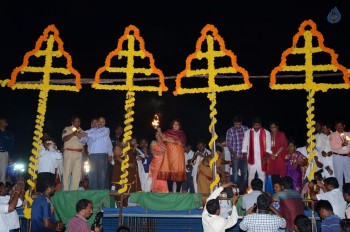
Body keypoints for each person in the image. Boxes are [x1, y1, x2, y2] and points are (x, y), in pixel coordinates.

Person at [80, 116, 113, 190]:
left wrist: (110, 154)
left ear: (105, 123)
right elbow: (83, 140)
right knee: (92, 175)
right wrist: (80, 136)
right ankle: (93, 193)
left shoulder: (106, 130)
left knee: (102, 175)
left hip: (102, 155)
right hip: (92, 156)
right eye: (99, 121)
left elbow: (108, 143)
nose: (100, 123)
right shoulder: (91, 131)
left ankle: (101, 193)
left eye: (102, 121)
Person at [242, 117, 272, 190]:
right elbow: (244, 144)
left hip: (262, 158)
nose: (256, 127)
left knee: (262, 177)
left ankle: (262, 192)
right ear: (252, 125)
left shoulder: (266, 133)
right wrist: (245, 155)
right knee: (250, 177)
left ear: (260, 124)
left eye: (258, 125)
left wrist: (265, 157)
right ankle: (250, 193)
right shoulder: (247, 132)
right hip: (251, 158)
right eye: (255, 125)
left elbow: (268, 147)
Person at [157, 119, 186, 193]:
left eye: (177, 124)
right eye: (174, 124)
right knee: (169, 172)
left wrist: (167, 139)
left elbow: (179, 142)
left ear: (179, 126)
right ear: (172, 125)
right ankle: (170, 191)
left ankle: (177, 191)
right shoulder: (168, 132)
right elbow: (162, 138)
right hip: (169, 154)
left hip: (178, 155)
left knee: (178, 172)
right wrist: (159, 131)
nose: (176, 125)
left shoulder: (181, 133)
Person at [226, 115, 249, 193]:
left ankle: (242, 191)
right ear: (233, 123)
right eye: (236, 124)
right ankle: (235, 191)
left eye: (239, 124)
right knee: (235, 176)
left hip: (245, 156)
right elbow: (228, 144)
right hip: (235, 156)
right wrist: (234, 154)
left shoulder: (246, 129)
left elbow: (249, 142)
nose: (238, 126)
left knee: (245, 175)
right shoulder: (230, 131)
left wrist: (246, 154)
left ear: (241, 123)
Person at [62, 116, 85, 191]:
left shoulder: (82, 131)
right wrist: (73, 134)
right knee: (67, 173)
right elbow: (64, 139)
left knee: (77, 174)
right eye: (76, 121)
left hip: (79, 154)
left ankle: (73, 191)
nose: (78, 122)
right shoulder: (67, 128)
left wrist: (85, 155)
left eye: (79, 121)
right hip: (69, 152)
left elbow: (83, 144)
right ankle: (65, 191)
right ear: (72, 122)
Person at [330, 120, 350, 191]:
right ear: (335, 127)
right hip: (338, 157)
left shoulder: (348, 134)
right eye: (337, 126)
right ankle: (340, 195)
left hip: (347, 157)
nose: (339, 127)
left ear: (344, 126)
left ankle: (348, 193)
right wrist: (342, 144)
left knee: (349, 176)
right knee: (339, 176)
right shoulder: (333, 135)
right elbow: (333, 146)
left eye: (340, 126)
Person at [0, 118, 14, 185]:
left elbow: (11, 145)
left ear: (6, 124)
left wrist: (10, 157)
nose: (1, 122)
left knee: (3, 172)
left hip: (5, 153)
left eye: (3, 121)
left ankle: (2, 189)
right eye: (0, 121)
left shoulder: (9, 133)